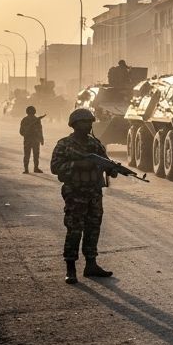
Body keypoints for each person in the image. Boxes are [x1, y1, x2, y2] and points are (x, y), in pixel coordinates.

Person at [50, 109, 117, 284]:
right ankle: (70, 268)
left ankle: (91, 265)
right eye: (84, 122)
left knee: (93, 228)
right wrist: (79, 164)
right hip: (75, 193)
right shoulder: (64, 144)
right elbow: (55, 167)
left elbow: (105, 162)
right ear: (74, 124)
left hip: (94, 192)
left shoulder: (95, 145)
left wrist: (112, 169)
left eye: (90, 122)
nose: (88, 125)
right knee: (74, 229)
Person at [19, 105, 45, 174]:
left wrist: (26, 134)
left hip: (28, 139)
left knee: (27, 154)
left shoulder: (25, 119)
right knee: (35, 154)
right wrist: (41, 139)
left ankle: (26, 169)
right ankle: (35, 168)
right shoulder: (36, 120)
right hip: (34, 139)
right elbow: (40, 130)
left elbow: (21, 131)